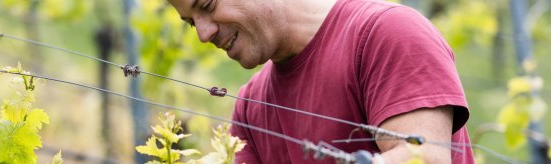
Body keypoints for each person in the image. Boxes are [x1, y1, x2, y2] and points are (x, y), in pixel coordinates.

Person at [166, 0, 473, 163]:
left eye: (207, 5)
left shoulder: (387, 32)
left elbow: (424, 159)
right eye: (191, 22)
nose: (203, 34)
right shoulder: (249, 108)